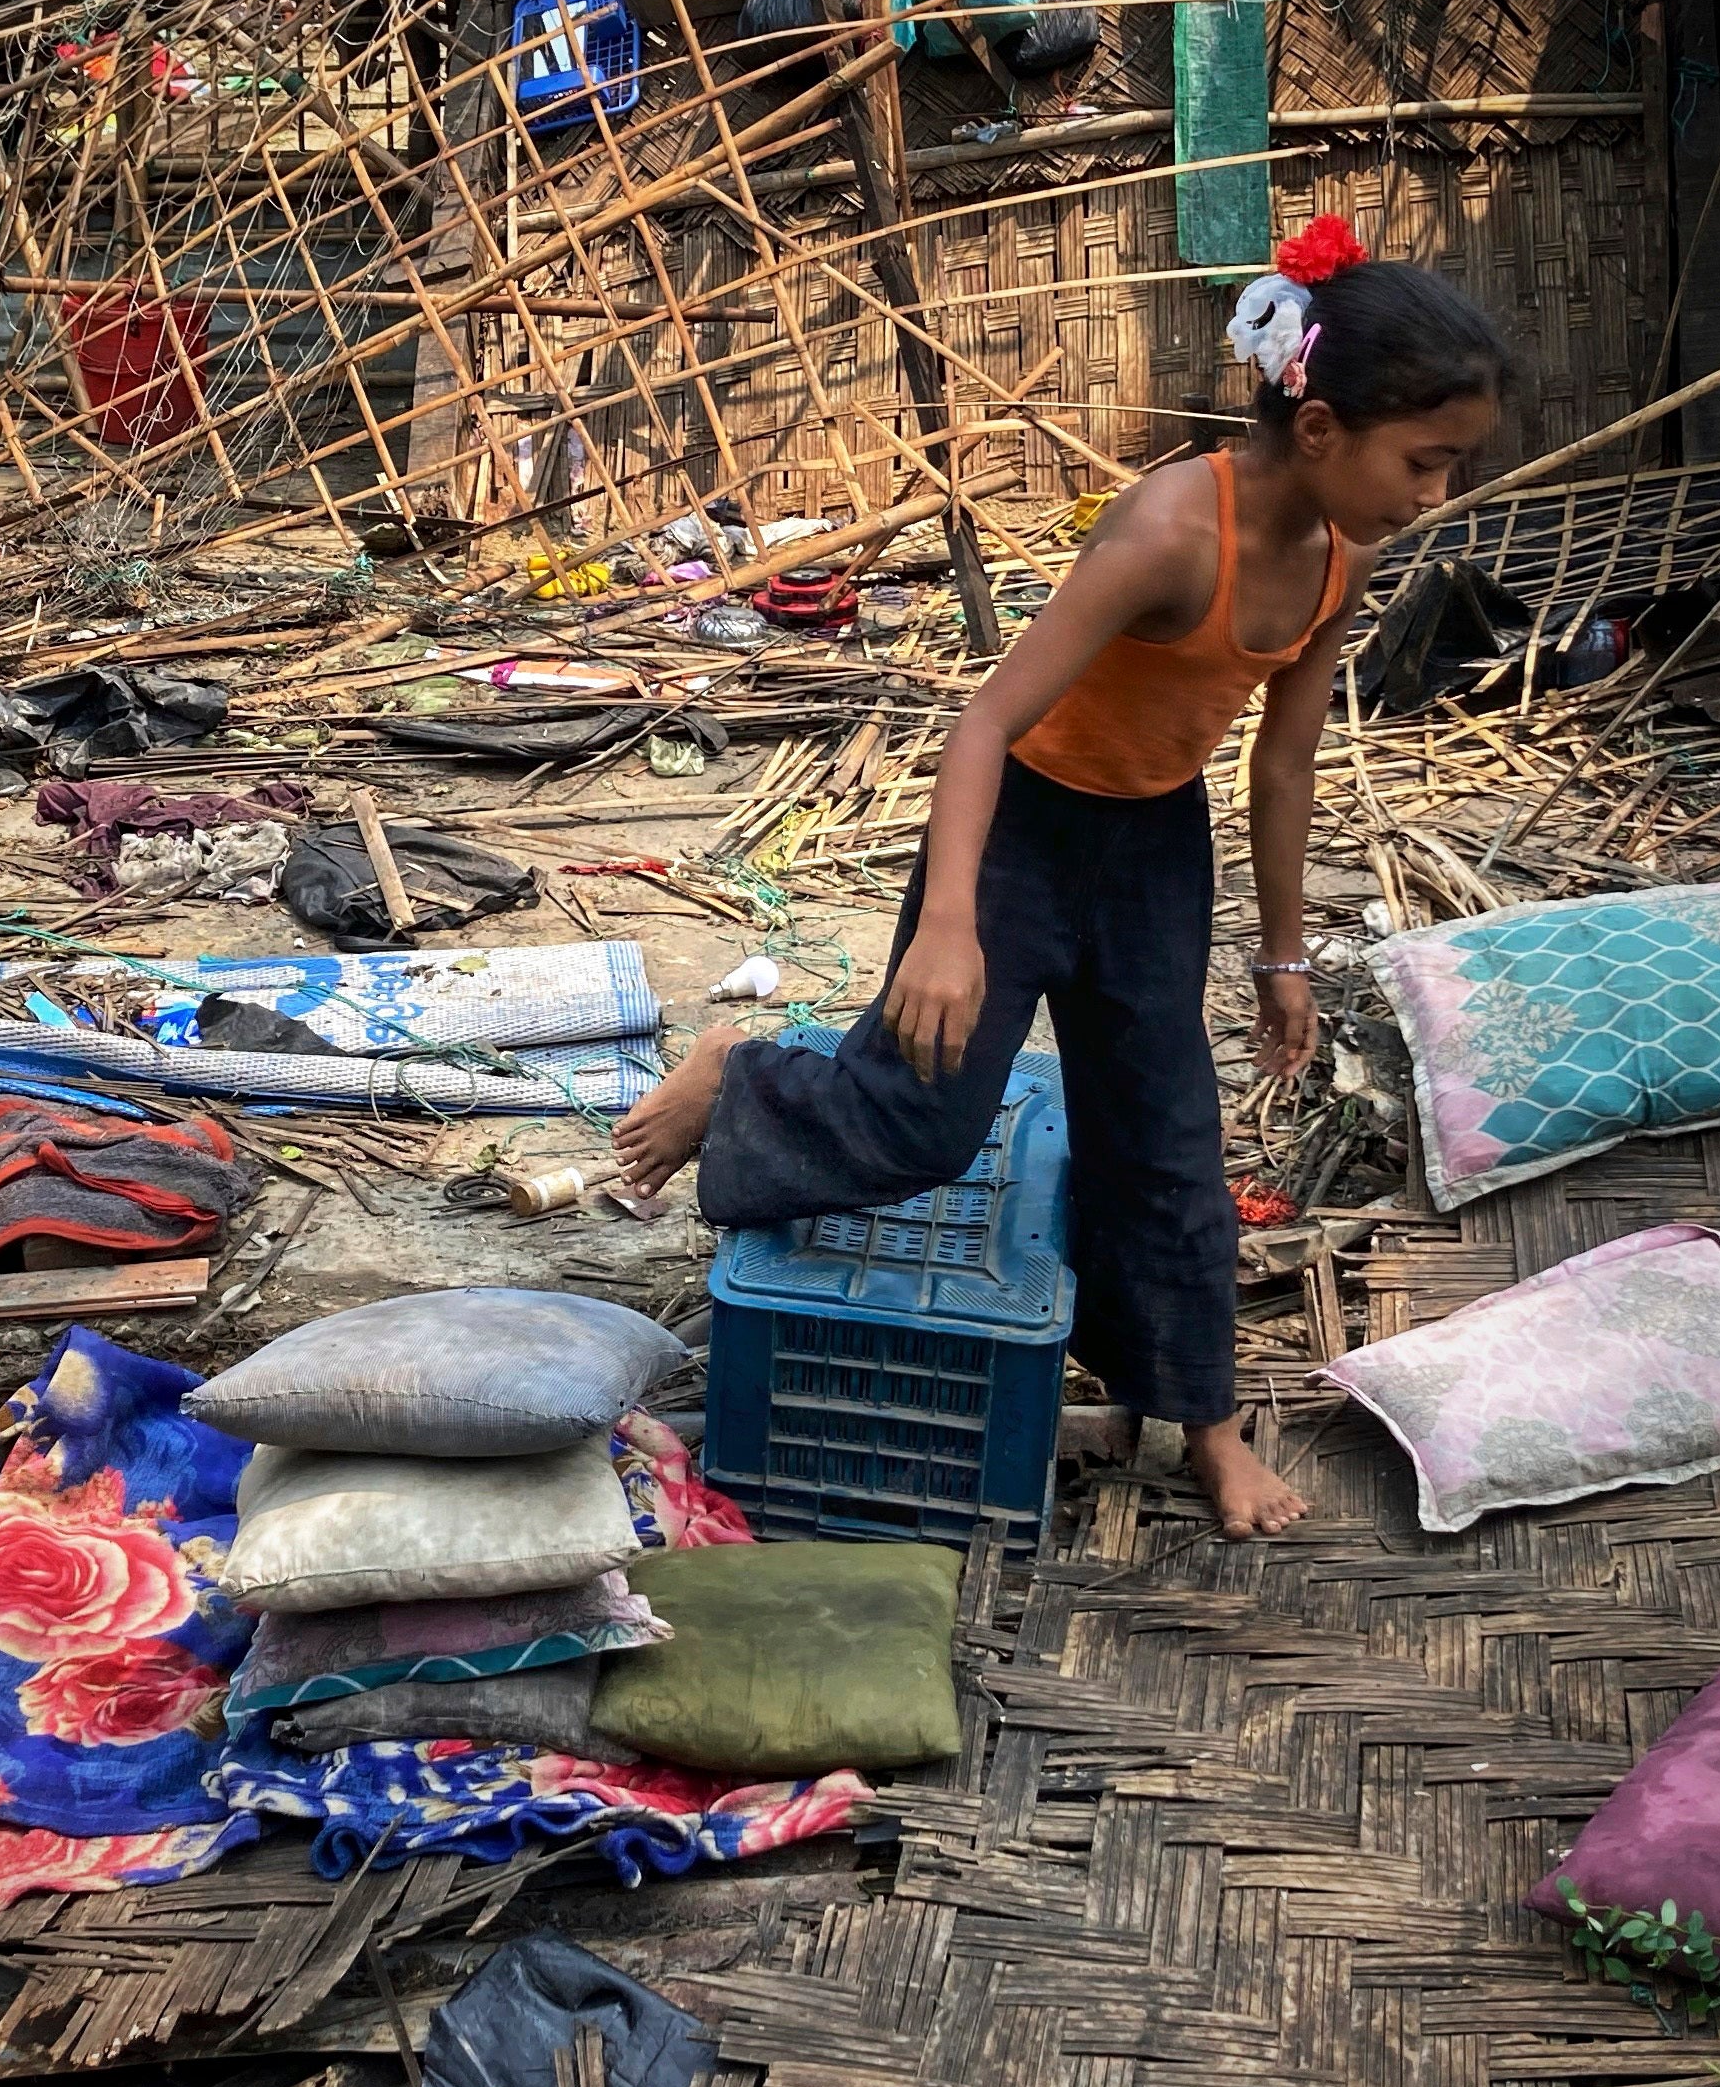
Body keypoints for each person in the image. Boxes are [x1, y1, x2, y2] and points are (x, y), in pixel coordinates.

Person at [612, 218, 1512, 1537]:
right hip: (1022, 832)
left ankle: (1203, 1425)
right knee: (926, 1120)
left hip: (1153, 851)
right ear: (1319, 427)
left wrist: (1281, 955)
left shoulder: (1342, 556)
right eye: (1423, 460)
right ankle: (740, 1078)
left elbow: (1283, 763)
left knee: (1167, 1145)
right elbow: (982, 723)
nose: (1434, 493)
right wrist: (951, 926)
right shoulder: (1164, 530)